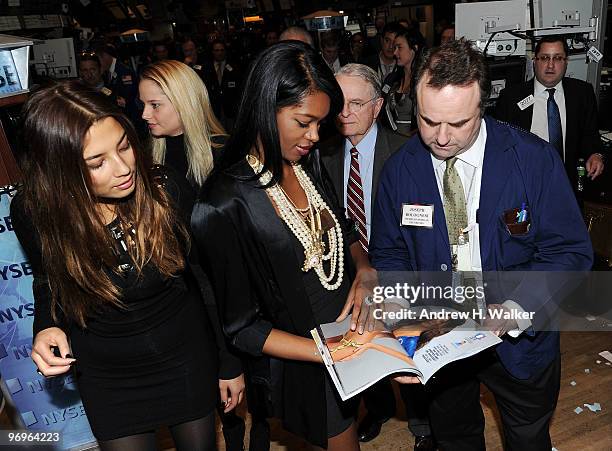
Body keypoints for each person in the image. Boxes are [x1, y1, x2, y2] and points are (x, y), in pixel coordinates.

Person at [370, 39, 592, 450]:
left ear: (483, 106)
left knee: (528, 438)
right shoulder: (401, 169)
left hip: (520, 342)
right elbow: (390, 250)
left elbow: (571, 252)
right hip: (439, 335)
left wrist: (517, 307)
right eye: (428, 120)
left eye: (457, 124)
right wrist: (399, 307)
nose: (440, 137)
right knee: (455, 437)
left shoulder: (533, 160)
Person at [11, 80, 244, 450]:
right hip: (108, 376)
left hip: (184, 356)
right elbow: (48, 278)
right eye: (97, 162)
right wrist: (47, 326)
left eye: (124, 146)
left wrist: (229, 361)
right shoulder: (34, 211)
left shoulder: (165, 190)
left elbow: (208, 280)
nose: (122, 168)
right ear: (60, 170)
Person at [192, 41, 377, 450]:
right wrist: (329, 352)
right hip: (311, 360)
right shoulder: (223, 204)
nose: (314, 136)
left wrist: (365, 271)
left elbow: (344, 231)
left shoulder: (304, 161)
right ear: (265, 107)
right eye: (303, 121)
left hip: (350, 340)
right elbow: (243, 329)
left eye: (320, 124)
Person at [139, 60, 258, 451]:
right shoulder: (148, 162)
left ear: (184, 101)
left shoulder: (225, 155)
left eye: (155, 105)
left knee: (251, 386)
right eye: (143, 104)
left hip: (236, 295)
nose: (144, 114)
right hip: (188, 298)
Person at [320, 63, 433, 450]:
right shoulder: (322, 155)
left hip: (400, 266)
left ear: (378, 105)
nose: (345, 113)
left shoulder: (407, 150)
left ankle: (421, 425)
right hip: (349, 274)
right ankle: (380, 407)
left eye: (356, 103)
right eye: (339, 104)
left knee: (407, 349)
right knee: (361, 345)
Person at [494, 35, 605, 190]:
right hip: (524, 182)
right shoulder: (511, 97)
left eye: (558, 58)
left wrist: (595, 154)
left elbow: (590, 134)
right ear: (535, 61)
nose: (550, 65)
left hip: (567, 183)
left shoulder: (582, 93)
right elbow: (499, 144)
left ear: (566, 62)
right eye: (545, 58)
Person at [380, 27, 425, 137]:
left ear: (414, 48)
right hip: (391, 140)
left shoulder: (424, 81)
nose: (395, 52)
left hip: (416, 141)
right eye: (395, 48)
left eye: (399, 48)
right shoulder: (392, 79)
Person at [203, 40, 242, 132]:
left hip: (231, 110)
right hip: (213, 110)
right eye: (216, 50)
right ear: (212, 52)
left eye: (221, 50)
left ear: (225, 51)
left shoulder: (234, 67)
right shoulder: (206, 68)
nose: (219, 53)